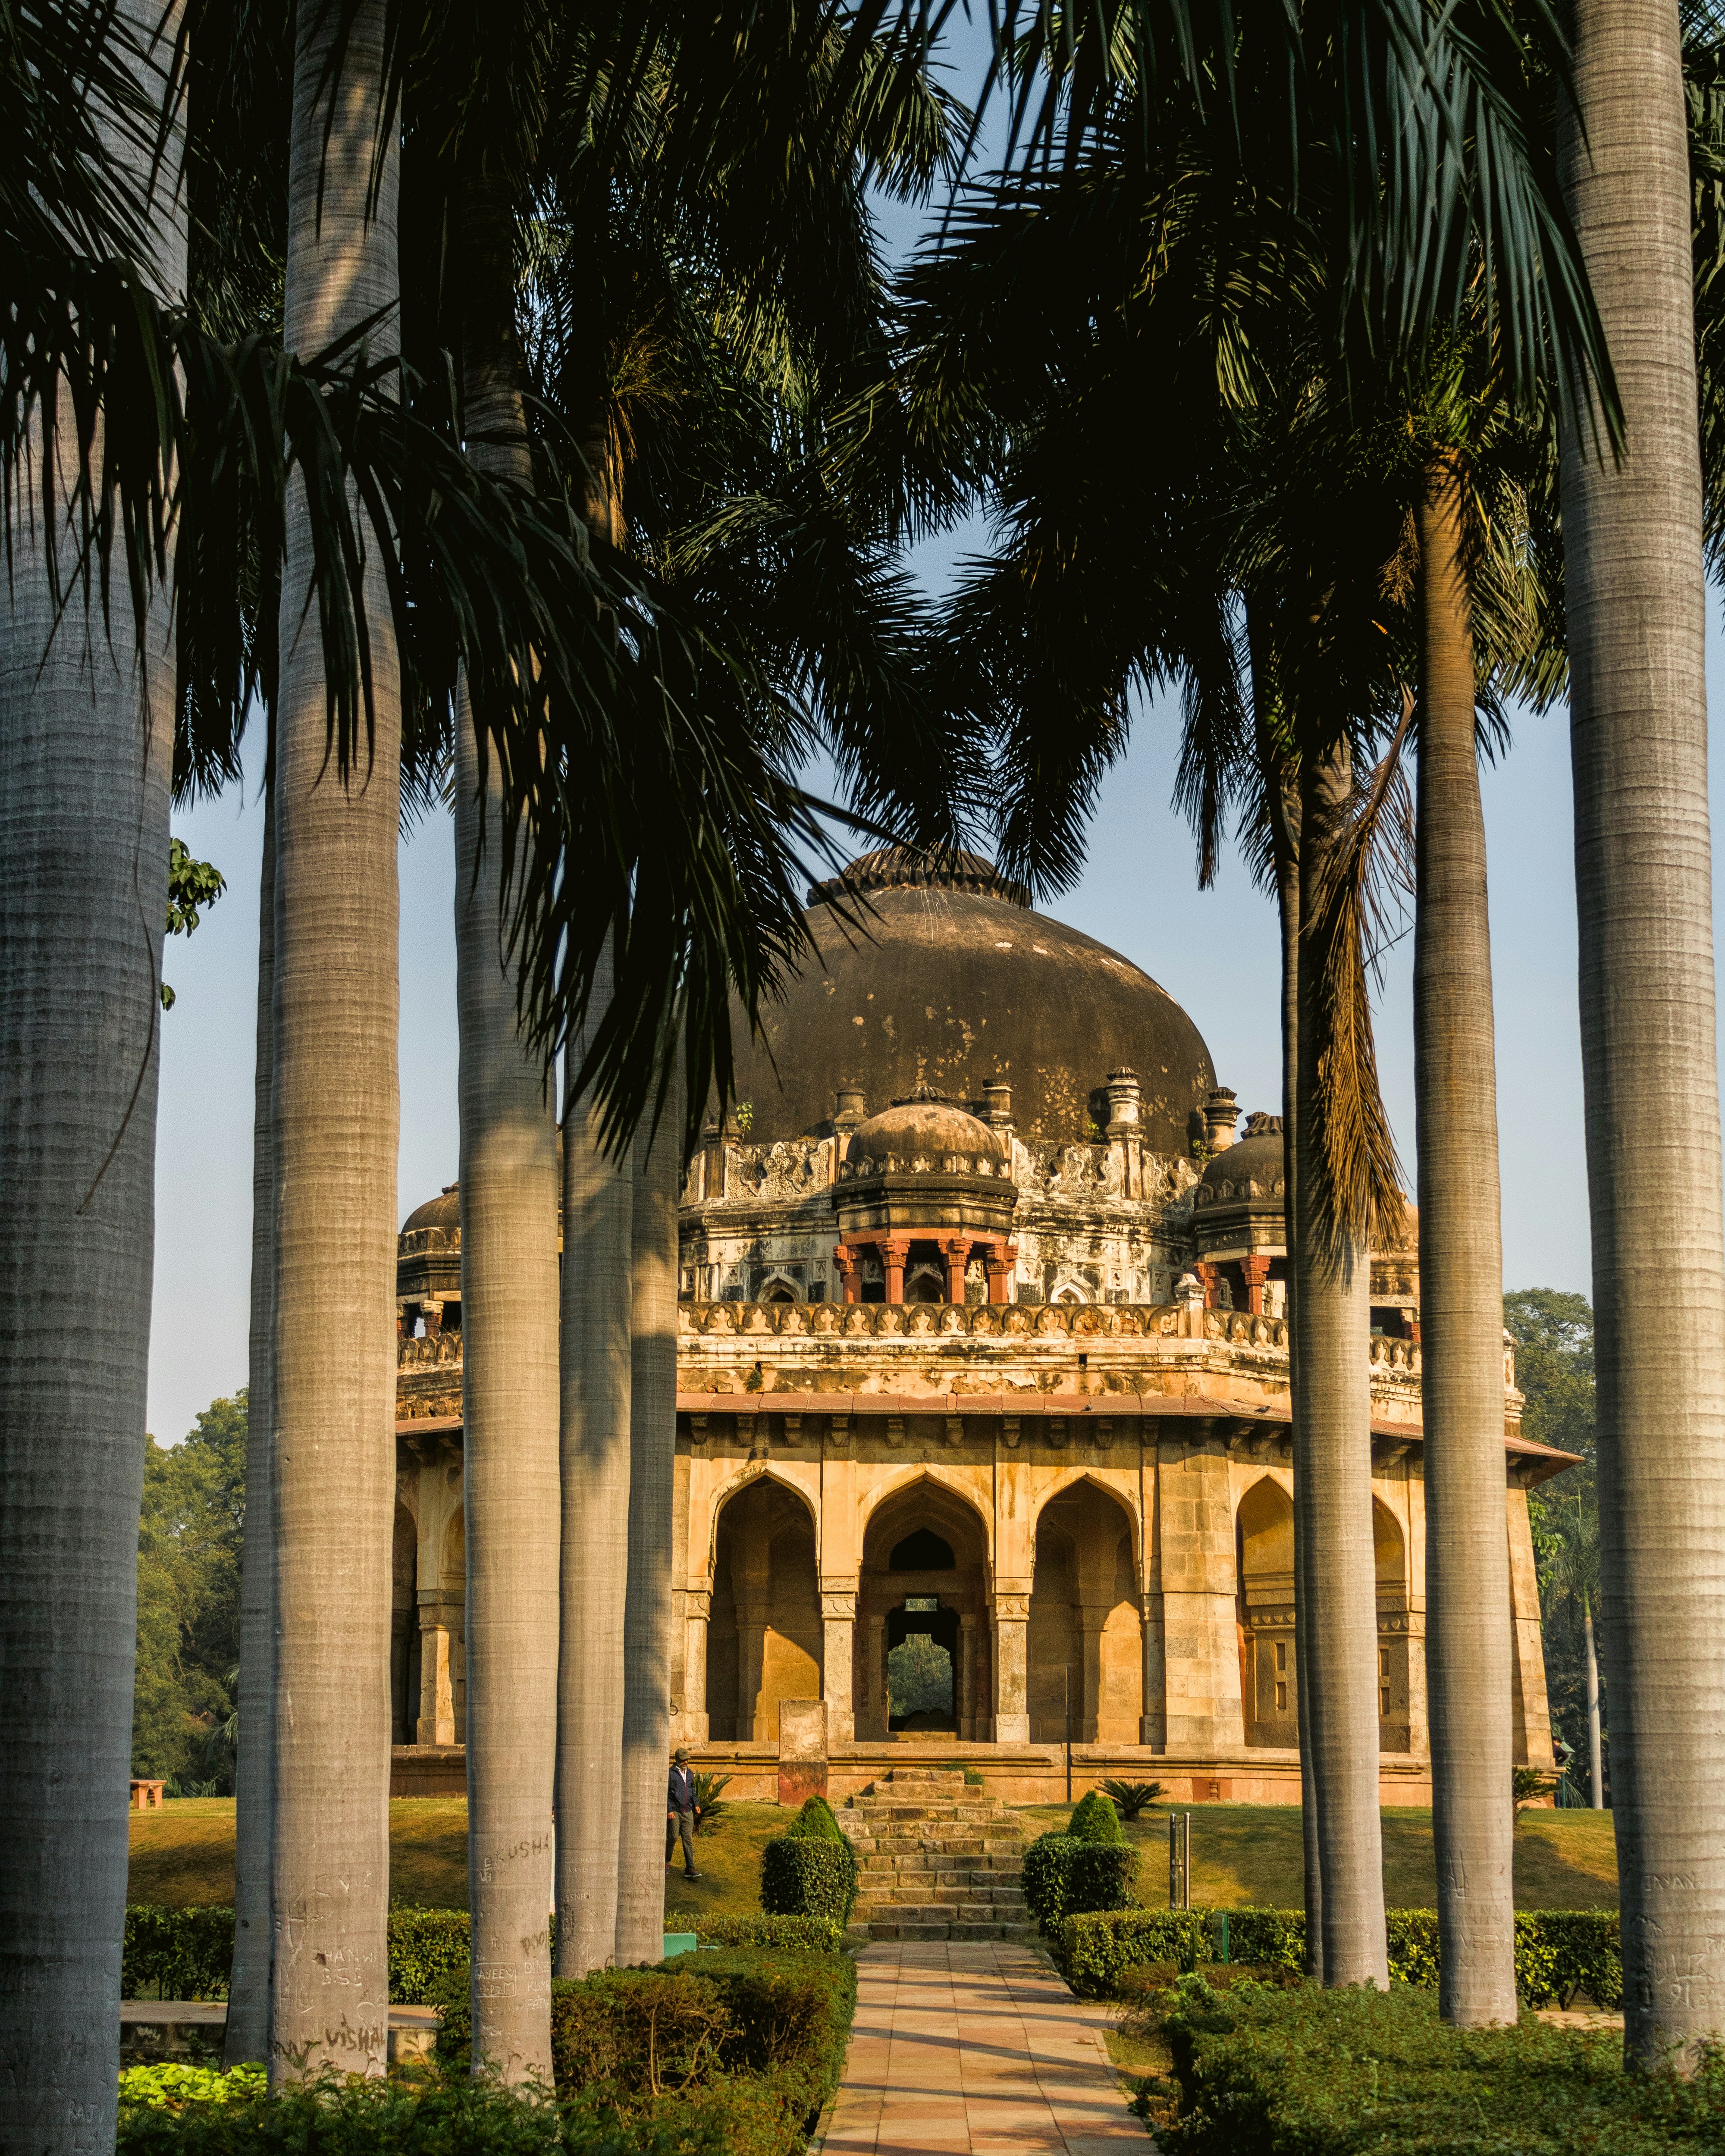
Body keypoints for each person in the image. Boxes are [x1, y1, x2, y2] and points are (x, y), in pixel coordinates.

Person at [667, 1747, 701, 1880]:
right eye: (683, 1759)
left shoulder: (690, 1773)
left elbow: (693, 1790)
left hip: (688, 1812)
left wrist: (696, 1804)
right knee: (673, 1837)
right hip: (675, 1811)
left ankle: (690, 1868)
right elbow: (667, 1793)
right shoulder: (671, 1773)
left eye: (687, 1759)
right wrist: (669, 1809)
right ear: (677, 1760)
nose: (686, 1762)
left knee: (688, 1839)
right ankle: (666, 1863)